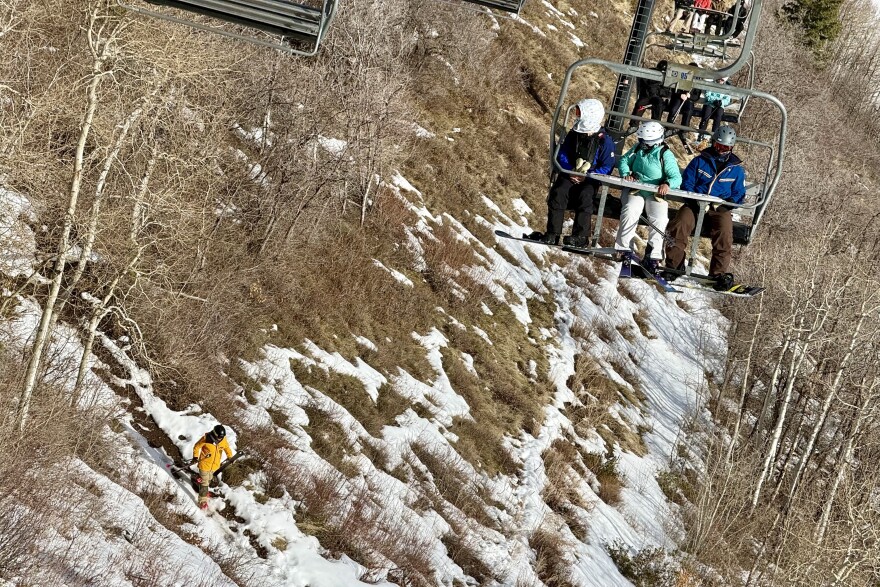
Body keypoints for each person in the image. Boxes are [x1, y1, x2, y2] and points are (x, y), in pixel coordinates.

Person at [525, 98, 616, 247]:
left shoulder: (604, 141)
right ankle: (553, 233)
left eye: (580, 114)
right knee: (559, 191)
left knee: (585, 196)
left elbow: (608, 165)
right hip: (570, 172)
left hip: (590, 177)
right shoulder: (575, 134)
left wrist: (588, 175)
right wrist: (569, 170)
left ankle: (580, 237)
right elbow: (563, 153)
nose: (577, 116)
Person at [664, 126, 745, 290]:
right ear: (713, 143)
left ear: (731, 148)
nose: (721, 150)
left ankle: (717, 274)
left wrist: (727, 204)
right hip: (695, 203)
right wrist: (692, 198)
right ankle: (674, 265)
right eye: (718, 146)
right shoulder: (700, 161)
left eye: (725, 148)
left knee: (724, 233)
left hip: (719, 207)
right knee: (679, 224)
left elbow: (739, 193)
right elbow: (687, 181)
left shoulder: (736, 169)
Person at [614, 121, 682, 275]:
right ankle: (623, 248)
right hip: (636, 190)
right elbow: (624, 160)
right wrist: (626, 173)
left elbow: (676, 177)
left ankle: (653, 256)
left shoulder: (665, 154)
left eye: (645, 141)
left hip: (655, 194)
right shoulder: (637, 148)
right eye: (641, 140)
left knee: (660, 219)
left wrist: (667, 184)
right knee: (630, 210)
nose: (642, 143)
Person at [192, 424, 233, 509]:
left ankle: (200, 482)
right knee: (205, 483)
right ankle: (202, 500)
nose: (220, 439)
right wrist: (195, 457)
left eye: (222, 437)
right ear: (214, 434)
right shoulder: (206, 439)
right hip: (204, 465)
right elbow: (197, 446)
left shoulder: (223, 440)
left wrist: (230, 456)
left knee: (209, 479)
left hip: (214, 466)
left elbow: (227, 448)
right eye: (219, 437)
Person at [665, 63, 702, 150]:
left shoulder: (698, 80)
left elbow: (696, 96)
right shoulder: (682, 75)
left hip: (688, 99)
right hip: (678, 97)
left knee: (689, 110)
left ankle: (684, 130)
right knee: (674, 108)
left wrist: (690, 96)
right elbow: (673, 88)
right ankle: (669, 127)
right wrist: (680, 94)